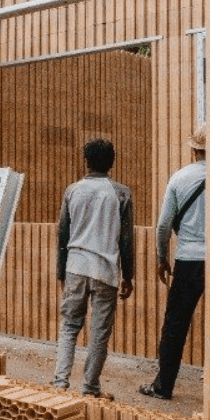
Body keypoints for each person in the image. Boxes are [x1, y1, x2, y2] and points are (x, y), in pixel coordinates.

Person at [52, 137, 135, 398]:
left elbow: (62, 234)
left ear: (85, 161)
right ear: (112, 163)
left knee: (69, 326)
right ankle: (89, 388)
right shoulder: (121, 193)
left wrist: (61, 271)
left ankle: (60, 383)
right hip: (106, 271)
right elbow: (126, 240)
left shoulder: (72, 190)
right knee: (99, 333)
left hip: (76, 266)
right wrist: (129, 276)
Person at [141, 126, 208, 401]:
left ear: (194, 151)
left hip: (188, 260)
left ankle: (163, 386)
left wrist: (161, 258)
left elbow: (163, 226)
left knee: (175, 325)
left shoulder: (180, 178)